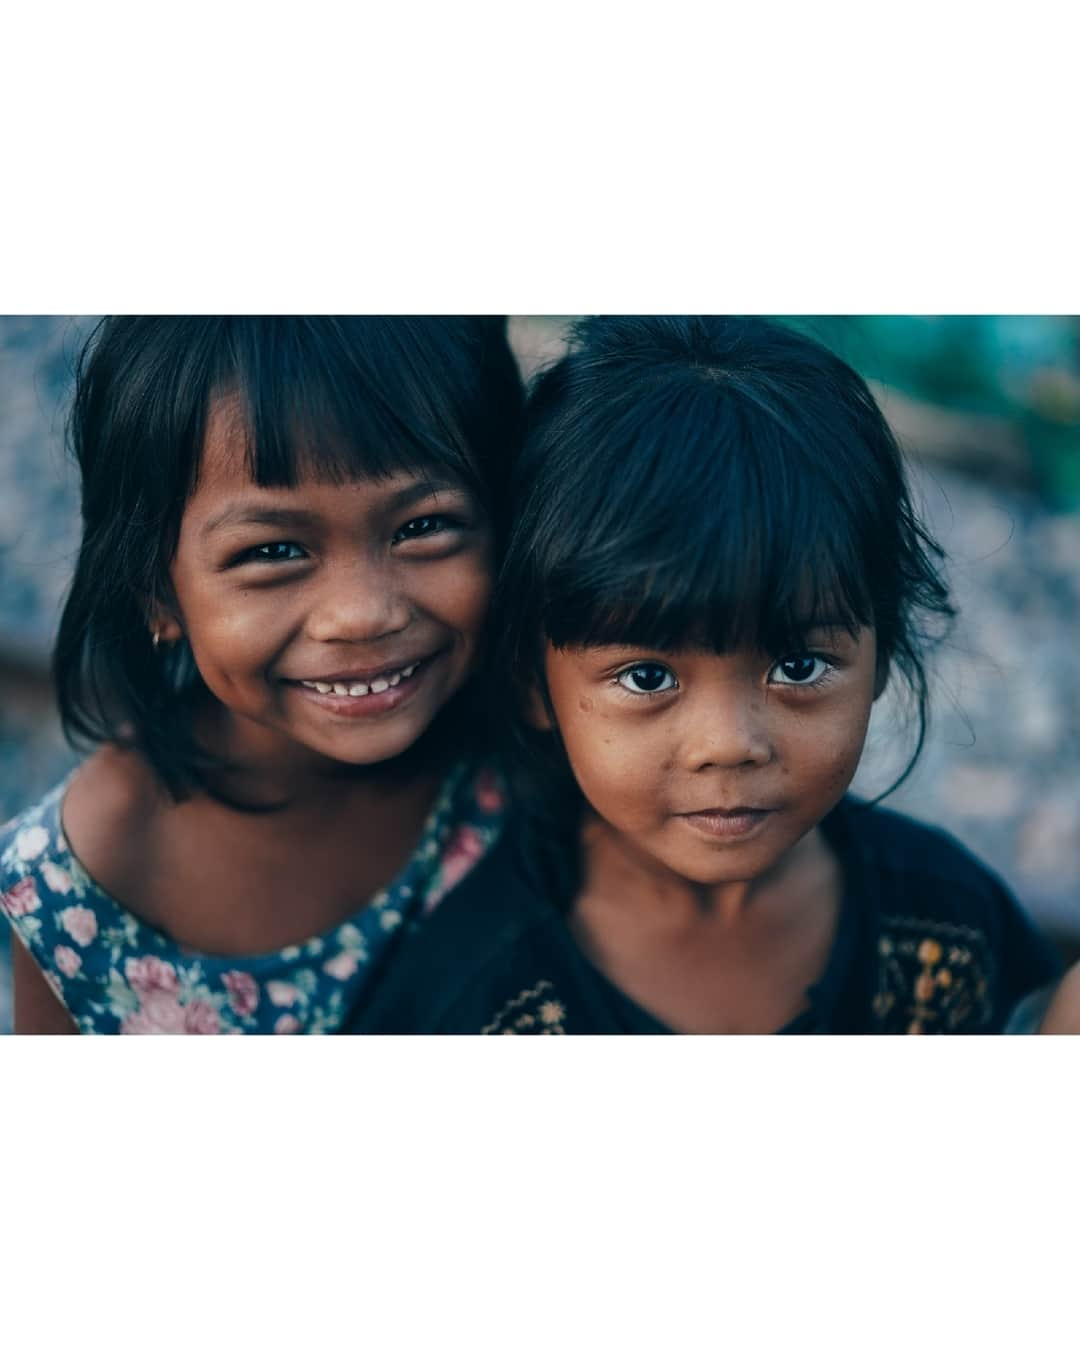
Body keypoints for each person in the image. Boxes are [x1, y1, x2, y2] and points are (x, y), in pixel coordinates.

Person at [347, 315, 1060, 1034]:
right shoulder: (467, 1003)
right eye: (648, 678)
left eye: (798, 665)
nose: (729, 744)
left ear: (882, 651)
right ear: (534, 681)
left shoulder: (952, 924)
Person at [0, 317, 522, 1033]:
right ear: (157, 591)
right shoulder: (78, 889)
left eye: (421, 527)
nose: (361, 615)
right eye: (274, 550)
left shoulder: (539, 757)